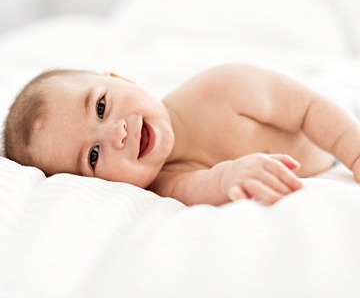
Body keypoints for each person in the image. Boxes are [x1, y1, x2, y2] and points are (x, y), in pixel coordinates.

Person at [3, 63, 360, 206]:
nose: (118, 132)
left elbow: (310, 108)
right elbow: (207, 185)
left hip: (338, 112)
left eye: (100, 106)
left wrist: (353, 152)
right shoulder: (164, 182)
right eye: (93, 156)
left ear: (121, 80)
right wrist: (231, 176)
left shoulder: (221, 88)